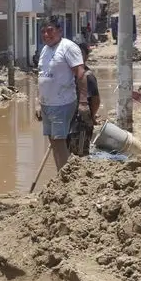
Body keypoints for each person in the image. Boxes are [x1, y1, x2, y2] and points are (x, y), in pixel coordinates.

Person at [35, 17, 90, 171]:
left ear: (59, 30)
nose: (46, 34)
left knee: (59, 142)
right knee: (53, 141)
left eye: (50, 30)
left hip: (62, 102)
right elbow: (41, 76)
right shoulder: (45, 49)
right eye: (43, 31)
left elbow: (81, 74)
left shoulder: (68, 47)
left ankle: (66, 179)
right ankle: (61, 176)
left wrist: (84, 102)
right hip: (47, 104)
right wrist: (38, 102)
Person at [67, 44, 101, 157]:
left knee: (80, 154)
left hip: (81, 124)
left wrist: (91, 117)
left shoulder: (88, 76)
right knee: (67, 153)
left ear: (86, 57)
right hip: (68, 122)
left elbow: (96, 100)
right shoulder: (68, 75)